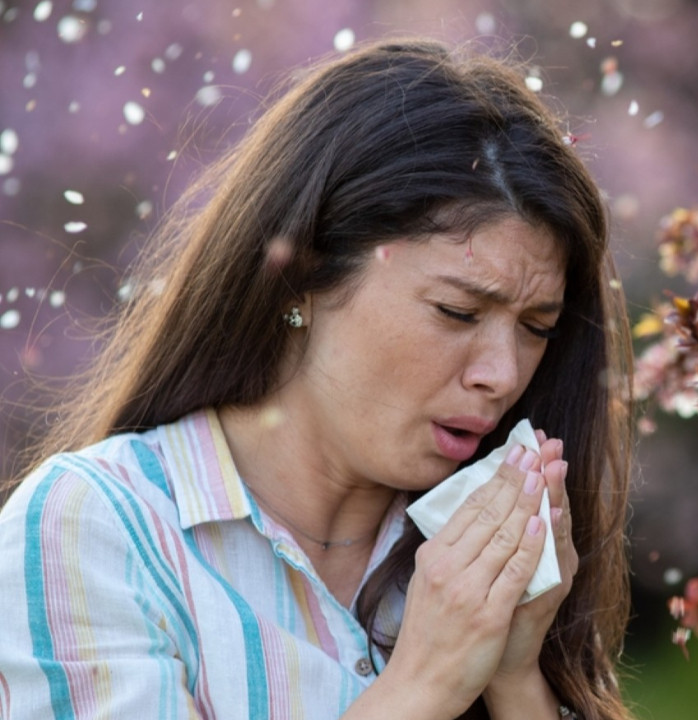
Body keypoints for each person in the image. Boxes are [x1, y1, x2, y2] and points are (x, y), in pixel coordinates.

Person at [0, 38, 634, 720]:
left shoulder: (474, 557)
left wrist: (515, 673)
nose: (502, 375)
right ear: (304, 275)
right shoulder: (100, 528)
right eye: (457, 311)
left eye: (536, 328)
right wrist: (425, 684)